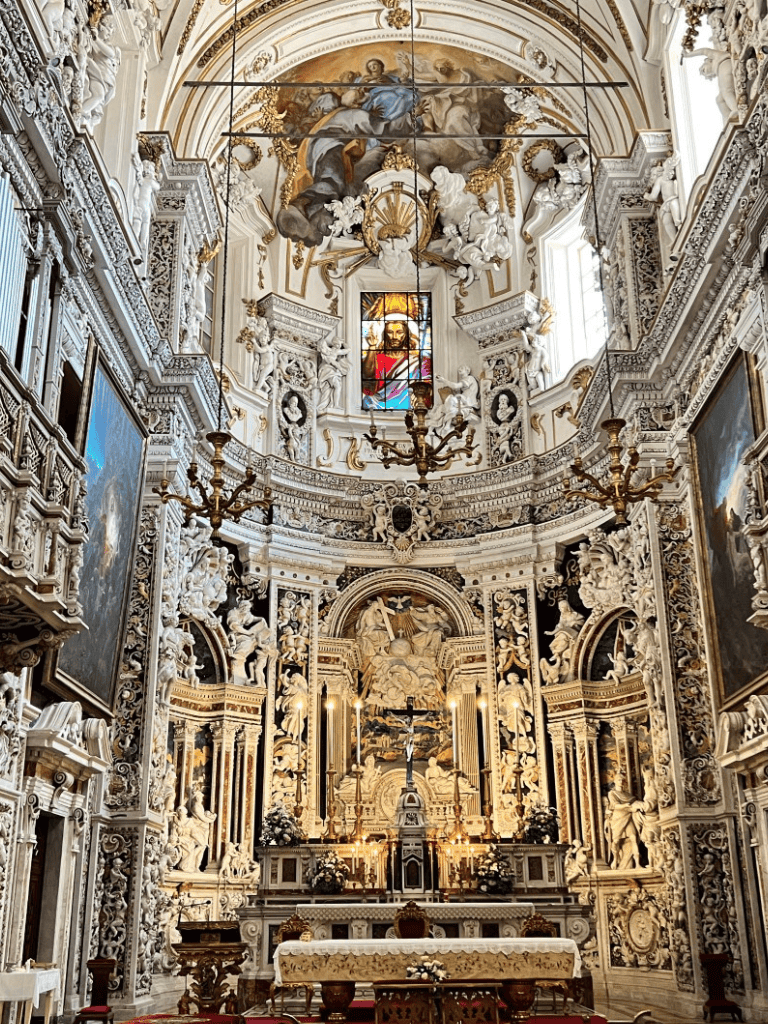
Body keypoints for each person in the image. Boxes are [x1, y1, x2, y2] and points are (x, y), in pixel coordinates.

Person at [361, 317, 430, 410]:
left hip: (408, 406)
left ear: (406, 334)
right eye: (390, 332)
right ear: (385, 335)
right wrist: (372, 346)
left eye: (399, 332)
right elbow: (367, 375)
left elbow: (427, 386)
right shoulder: (377, 357)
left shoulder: (417, 361)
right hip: (377, 405)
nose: (394, 337)